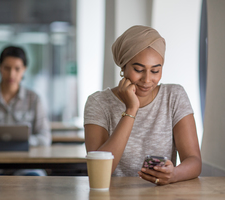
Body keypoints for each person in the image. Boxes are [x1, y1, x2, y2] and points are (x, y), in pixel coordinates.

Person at [84, 25, 201, 185]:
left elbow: (194, 161)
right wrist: (131, 110)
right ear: (123, 67)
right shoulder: (98, 102)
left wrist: (173, 174)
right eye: (139, 69)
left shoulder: (174, 96)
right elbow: (99, 170)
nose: (147, 80)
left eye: (155, 71)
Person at [0, 46, 51, 175]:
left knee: (36, 179)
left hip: (26, 165)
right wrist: (3, 143)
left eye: (17, 69)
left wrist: (22, 142)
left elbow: (45, 137)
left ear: (24, 70)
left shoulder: (34, 99)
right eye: (7, 68)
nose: (12, 74)